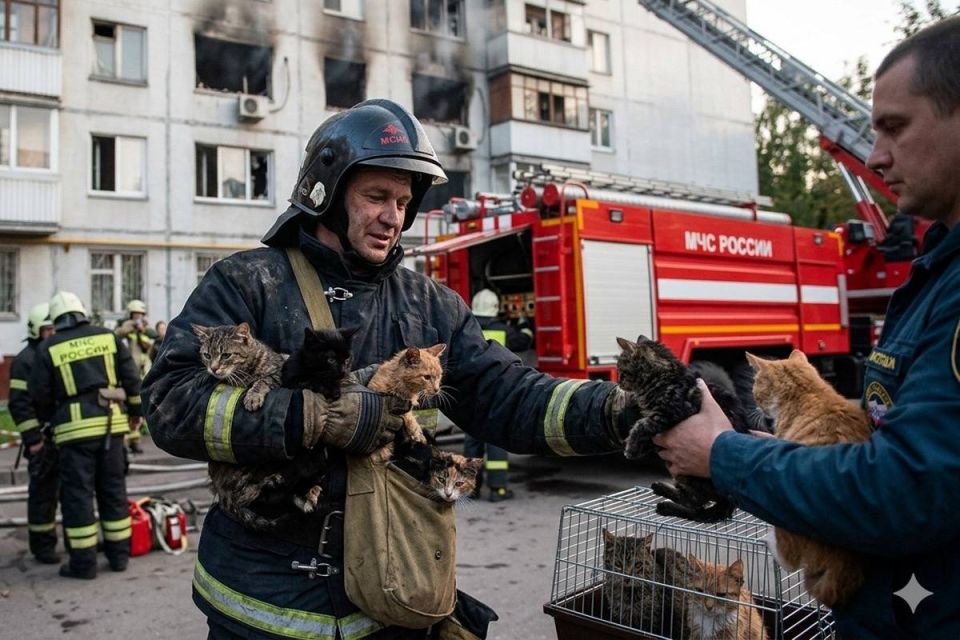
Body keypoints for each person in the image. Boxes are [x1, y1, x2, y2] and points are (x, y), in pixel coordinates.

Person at [141, 99, 639, 640]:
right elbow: (171, 404)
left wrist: (620, 412)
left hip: (392, 598)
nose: (393, 216)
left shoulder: (430, 304)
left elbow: (507, 395)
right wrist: (311, 416)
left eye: (403, 201)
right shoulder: (246, 282)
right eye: (376, 196)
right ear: (326, 196)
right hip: (263, 607)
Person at [653, 18, 960, 639]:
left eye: (895, 127)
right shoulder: (942, 271)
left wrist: (724, 454)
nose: (875, 155)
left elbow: (903, 490)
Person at [30, 291, 142, 579]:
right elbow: (131, 377)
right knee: (114, 491)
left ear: (56, 319)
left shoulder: (49, 347)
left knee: (77, 497)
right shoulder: (106, 336)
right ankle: (119, 556)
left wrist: (49, 420)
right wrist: (135, 412)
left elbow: (40, 394)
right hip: (111, 427)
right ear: (81, 312)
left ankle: (83, 564)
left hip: (73, 433)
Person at [463, 288, 534, 502]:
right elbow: (524, 340)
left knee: (472, 444)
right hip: (495, 394)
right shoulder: (502, 329)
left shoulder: (466, 328)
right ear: (495, 308)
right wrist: (523, 321)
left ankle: (471, 489)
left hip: (470, 394)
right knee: (495, 442)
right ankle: (498, 489)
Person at [8, 303, 59, 564]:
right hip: (41, 440)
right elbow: (19, 403)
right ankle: (42, 546)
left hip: (60, 437)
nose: (52, 333)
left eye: (54, 328)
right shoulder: (25, 360)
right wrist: (33, 439)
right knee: (42, 495)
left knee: (69, 493)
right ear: (36, 330)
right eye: (47, 329)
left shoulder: (52, 354)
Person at [115, 299, 156, 454]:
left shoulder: (145, 329)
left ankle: (134, 441)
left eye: (140, 314)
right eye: (136, 314)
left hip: (142, 372)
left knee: (138, 409)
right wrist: (131, 326)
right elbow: (119, 334)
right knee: (127, 408)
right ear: (131, 314)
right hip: (128, 374)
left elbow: (149, 344)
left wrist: (142, 330)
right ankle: (124, 442)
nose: (138, 316)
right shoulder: (125, 328)